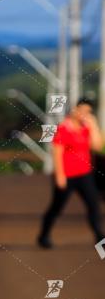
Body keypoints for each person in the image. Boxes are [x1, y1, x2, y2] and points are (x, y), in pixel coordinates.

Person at [38, 97, 104, 248]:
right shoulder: (63, 128)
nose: (84, 114)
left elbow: (98, 146)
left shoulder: (86, 128)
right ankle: (44, 235)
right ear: (75, 109)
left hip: (85, 174)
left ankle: (100, 238)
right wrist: (60, 176)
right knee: (57, 207)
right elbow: (57, 153)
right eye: (82, 111)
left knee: (93, 205)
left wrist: (93, 126)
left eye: (88, 112)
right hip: (67, 175)